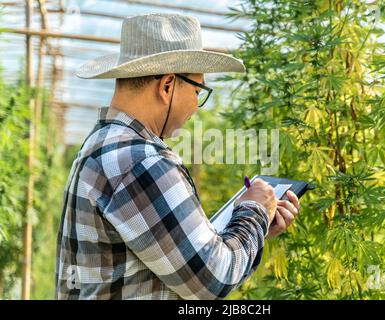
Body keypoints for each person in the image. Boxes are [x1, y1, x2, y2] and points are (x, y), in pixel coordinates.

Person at [55, 12, 299, 300]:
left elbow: (175, 258)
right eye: (198, 90)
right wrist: (254, 211)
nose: (198, 106)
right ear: (167, 85)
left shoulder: (100, 144)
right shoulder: (141, 162)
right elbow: (214, 278)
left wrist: (250, 234)